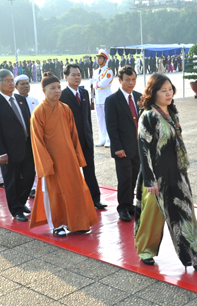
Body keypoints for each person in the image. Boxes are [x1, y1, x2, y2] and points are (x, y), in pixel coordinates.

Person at [134, 73, 197, 271]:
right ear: (153, 93)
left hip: (177, 173)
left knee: (186, 213)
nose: (168, 93)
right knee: (152, 216)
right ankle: (146, 251)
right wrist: (150, 180)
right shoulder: (148, 116)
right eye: (163, 90)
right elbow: (143, 149)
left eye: (170, 89)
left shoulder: (172, 112)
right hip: (155, 175)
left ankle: (195, 255)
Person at [29, 72, 98, 236]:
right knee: (55, 193)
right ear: (44, 91)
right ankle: (57, 225)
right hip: (52, 161)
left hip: (69, 159)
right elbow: (37, 141)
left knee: (75, 190)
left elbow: (74, 135)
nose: (57, 90)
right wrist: (46, 163)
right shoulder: (38, 112)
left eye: (58, 87)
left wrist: (78, 157)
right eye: (52, 88)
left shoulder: (65, 108)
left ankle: (78, 223)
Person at [0, 69, 34, 222]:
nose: (11, 83)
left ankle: (21, 202)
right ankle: (16, 210)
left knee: (29, 176)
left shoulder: (20, 98)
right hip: (9, 150)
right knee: (12, 181)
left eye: (12, 80)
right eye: (7, 81)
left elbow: (28, 122)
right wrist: (1, 152)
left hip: (27, 146)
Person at [61, 64, 107, 209]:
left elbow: (87, 117)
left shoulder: (84, 93)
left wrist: (90, 136)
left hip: (86, 140)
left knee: (90, 171)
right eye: (73, 75)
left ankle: (95, 199)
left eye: (79, 75)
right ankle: (76, 202)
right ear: (66, 77)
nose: (77, 77)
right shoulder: (62, 95)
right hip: (71, 141)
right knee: (73, 174)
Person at [105, 65, 141, 222]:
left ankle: (130, 204)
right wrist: (118, 147)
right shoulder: (112, 100)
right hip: (122, 149)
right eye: (127, 80)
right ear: (120, 80)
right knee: (125, 178)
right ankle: (123, 208)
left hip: (138, 148)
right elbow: (111, 127)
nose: (131, 83)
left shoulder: (139, 97)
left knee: (134, 178)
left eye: (133, 80)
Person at [91, 49, 114, 147]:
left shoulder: (108, 71)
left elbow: (103, 83)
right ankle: (102, 138)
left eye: (100, 58)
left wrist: (95, 84)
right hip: (98, 98)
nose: (98, 60)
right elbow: (93, 84)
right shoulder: (96, 71)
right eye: (97, 58)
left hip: (106, 97)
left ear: (105, 60)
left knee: (108, 119)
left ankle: (109, 139)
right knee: (100, 120)